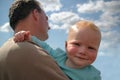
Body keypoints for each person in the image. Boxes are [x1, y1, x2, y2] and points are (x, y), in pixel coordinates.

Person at [0, 0, 70, 80]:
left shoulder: (4, 50)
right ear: (36, 14)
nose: (49, 27)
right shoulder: (31, 53)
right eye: (46, 19)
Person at [14, 20, 102, 80]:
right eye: (76, 44)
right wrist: (28, 37)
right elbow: (44, 46)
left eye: (91, 48)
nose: (82, 51)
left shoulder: (93, 75)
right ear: (66, 45)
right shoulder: (59, 56)